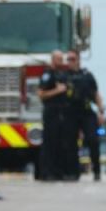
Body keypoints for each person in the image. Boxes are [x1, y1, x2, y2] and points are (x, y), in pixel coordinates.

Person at [67, 51, 104, 181]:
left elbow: (95, 94)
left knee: (93, 140)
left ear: (78, 60)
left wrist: (101, 111)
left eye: (72, 59)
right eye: (68, 59)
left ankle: (97, 170)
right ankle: (73, 172)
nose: (70, 62)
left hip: (87, 112)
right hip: (71, 113)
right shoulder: (64, 76)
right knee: (71, 142)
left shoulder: (87, 76)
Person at [37, 51, 71, 181]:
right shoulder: (47, 74)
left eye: (62, 59)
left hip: (61, 113)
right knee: (49, 143)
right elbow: (41, 94)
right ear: (52, 59)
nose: (61, 61)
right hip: (51, 112)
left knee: (60, 143)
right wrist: (57, 90)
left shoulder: (61, 75)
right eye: (58, 59)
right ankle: (47, 172)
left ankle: (58, 172)